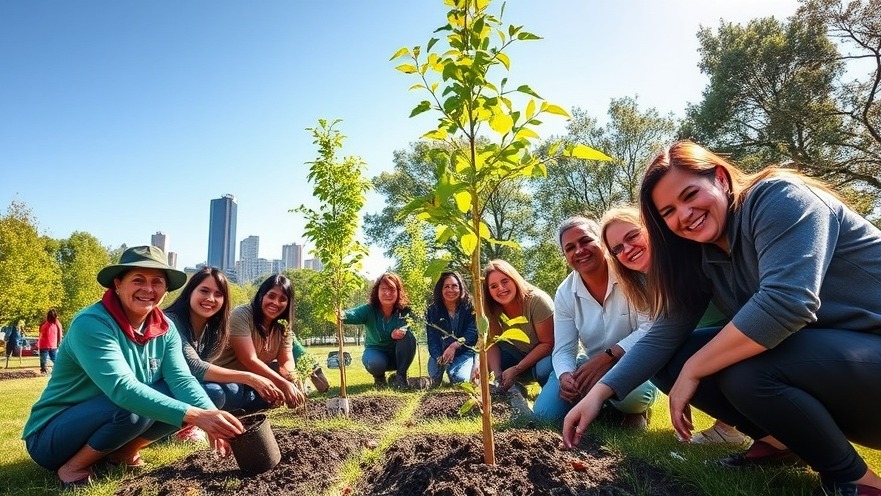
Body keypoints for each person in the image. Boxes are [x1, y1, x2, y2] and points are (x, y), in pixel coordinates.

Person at [563, 141, 881, 496]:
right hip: (844, 368)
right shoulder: (706, 256)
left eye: (690, 195)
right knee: (672, 357)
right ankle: (781, 443)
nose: (683, 215)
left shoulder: (780, 198)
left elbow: (786, 303)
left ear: (720, 178)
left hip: (869, 353)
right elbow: (664, 333)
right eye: (668, 211)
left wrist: (694, 369)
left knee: (747, 371)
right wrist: (599, 393)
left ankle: (858, 482)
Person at [22, 246, 243, 489]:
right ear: (118, 284)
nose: (148, 289)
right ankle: (73, 467)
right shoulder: (92, 323)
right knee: (132, 407)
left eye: (157, 282)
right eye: (138, 280)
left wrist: (212, 416)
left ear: (165, 289)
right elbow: (123, 389)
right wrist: (197, 416)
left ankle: (122, 454)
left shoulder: (165, 328)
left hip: (111, 417)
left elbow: (181, 380)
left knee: (207, 394)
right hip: (51, 437)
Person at [601, 206, 745, 444]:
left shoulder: (686, 258)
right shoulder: (646, 282)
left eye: (632, 236)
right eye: (617, 249)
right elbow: (663, 335)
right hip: (703, 343)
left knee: (671, 355)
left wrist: (689, 370)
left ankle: (734, 425)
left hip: (740, 336)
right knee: (660, 360)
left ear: (649, 229)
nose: (627, 249)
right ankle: (730, 424)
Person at [533, 216, 655, 428]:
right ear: (565, 257)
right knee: (545, 414)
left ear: (602, 241)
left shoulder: (631, 275)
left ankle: (631, 411)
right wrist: (565, 376)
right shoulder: (565, 293)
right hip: (590, 364)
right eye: (570, 248)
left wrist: (610, 356)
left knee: (635, 398)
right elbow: (564, 348)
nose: (579, 250)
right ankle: (603, 407)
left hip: (635, 362)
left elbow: (650, 329)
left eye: (585, 240)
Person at [164, 267, 284, 417]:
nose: (210, 299)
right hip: (166, 388)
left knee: (234, 390)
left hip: (192, 386)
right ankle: (187, 424)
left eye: (218, 294)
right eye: (204, 291)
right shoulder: (170, 322)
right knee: (216, 393)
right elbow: (195, 367)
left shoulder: (212, 329)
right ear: (190, 292)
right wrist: (250, 378)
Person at [212, 274, 308, 412]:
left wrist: (291, 378)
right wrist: (282, 384)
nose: (275, 302)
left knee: (272, 382)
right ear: (261, 295)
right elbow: (248, 359)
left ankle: (254, 401)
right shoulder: (241, 315)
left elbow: (286, 360)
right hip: (228, 378)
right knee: (233, 392)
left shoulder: (283, 326)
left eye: (282, 299)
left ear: (288, 303)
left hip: (256, 381)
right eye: (271, 296)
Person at [481, 259, 554, 392]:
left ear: (514, 279)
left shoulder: (537, 301)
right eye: (494, 286)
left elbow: (547, 344)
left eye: (505, 281)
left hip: (550, 356)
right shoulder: (493, 309)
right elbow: (493, 342)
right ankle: (513, 387)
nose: (501, 288)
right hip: (521, 354)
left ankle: (552, 390)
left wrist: (516, 369)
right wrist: (498, 375)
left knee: (543, 370)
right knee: (493, 358)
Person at [342, 273, 417, 389]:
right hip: (376, 354)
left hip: (398, 356)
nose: (387, 293)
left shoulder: (405, 311)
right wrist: (336, 313)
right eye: (383, 289)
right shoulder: (369, 310)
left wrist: (400, 332)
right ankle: (379, 378)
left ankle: (401, 377)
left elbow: (411, 325)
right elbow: (349, 315)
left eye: (392, 289)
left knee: (409, 337)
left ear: (398, 291)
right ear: (377, 291)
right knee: (375, 363)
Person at [425, 271, 477, 385]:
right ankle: (443, 371)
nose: (450, 290)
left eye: (454, 286)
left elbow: (472, 333)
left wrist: (455, 345)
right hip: (442, 351)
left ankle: (468, 365)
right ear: (441, 289)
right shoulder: (433, 310)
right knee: (434, 377)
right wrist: (438, 356)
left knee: (460, 380)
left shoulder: (470, 307)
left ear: (461, 288)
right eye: (446, 286)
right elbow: (432, 338)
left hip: (464, 351)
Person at [37, 310, 63, 375]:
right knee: (50, 359)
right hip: (48, 345)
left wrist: (59, 342)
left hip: (49, 345)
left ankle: (46, 370)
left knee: (46, 359)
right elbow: (60, 334)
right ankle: (46, 370)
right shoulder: (56, 323)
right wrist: (59, 342)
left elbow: (40, 333)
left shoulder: (53, 323)